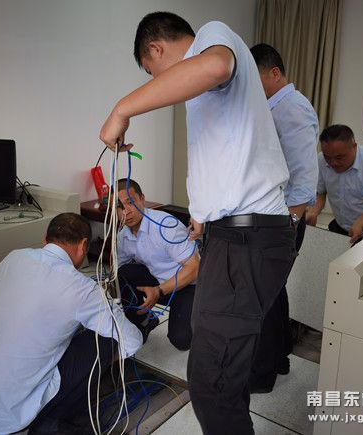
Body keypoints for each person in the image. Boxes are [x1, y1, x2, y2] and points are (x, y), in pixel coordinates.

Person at [100, 12, 296, 434]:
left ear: (156, 49)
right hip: (234, 235)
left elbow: (214, 66)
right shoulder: (208, 96)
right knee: (222, 371)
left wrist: (122, 109)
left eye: (153, 71)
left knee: (211, 384)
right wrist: (203, 216)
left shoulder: (213, 36)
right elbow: (223, 154)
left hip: (247, 238)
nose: (161, 82)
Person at [0, 213, 142, 435]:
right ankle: (54, 421)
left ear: (45, 239)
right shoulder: (82, 288)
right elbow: (132, 341)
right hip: (10, 415)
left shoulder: (14, 258)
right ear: (83, 245)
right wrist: (108, 358)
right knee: (102, 341)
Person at [248, 43, 319, 392]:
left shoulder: (291, 108)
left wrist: (288, 226)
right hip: (273, 217)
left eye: (255, 78)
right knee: (273, 293)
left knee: (260, 296)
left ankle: (261, 375)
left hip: (282, 221)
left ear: (274, 73)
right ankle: (279, 358)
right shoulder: (275, 107)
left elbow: (304, 175)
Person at [116, 178, 199, 351]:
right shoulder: (123, 236)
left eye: (130, 202)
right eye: (119, 206)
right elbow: (121, 272)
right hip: (158, 281)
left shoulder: (165, 225)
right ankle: (143, 321)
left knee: (181, 339)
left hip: (188, 285)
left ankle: (203, 315)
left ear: (142, 199)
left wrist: (159, 291)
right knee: (122, 275)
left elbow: (194, 268)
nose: (126, 211)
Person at [306, 124, 363, 243]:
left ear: (354, 147)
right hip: (343, 225)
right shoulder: (321, 160)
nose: (333, 163)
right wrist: (313, 212)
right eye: (327, 157)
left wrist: (360, 223)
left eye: (339, 157)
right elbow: (321, 193)